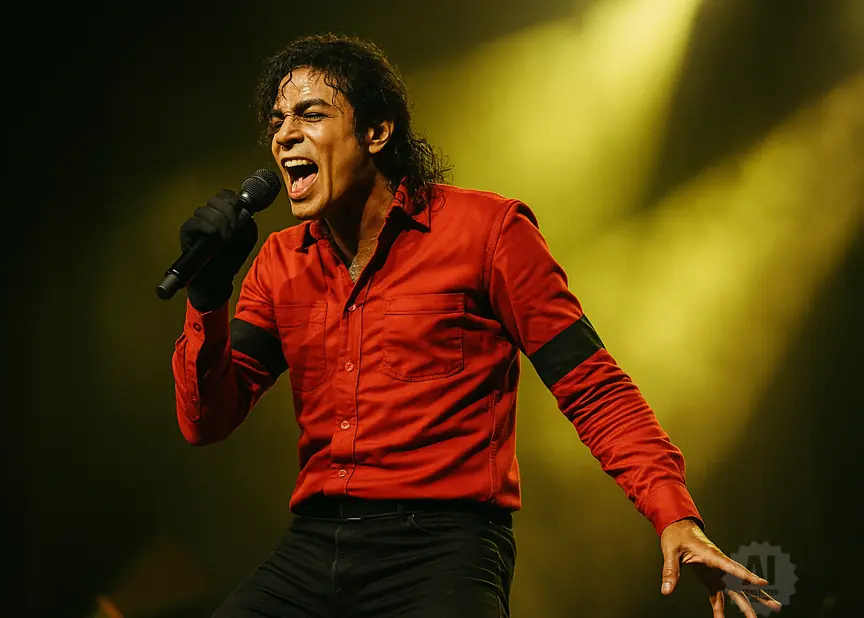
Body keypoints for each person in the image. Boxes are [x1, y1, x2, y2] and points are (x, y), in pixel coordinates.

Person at [171, 34, 779, 618]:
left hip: (441, 549)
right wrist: (207, 294)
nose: (285, 135)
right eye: (277, 120)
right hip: (315, 542)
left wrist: (673, 513)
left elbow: (592, 385)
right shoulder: (281, 261)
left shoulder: (487, 234)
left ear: (378, 131)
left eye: (310, 114)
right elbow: (207, 420)